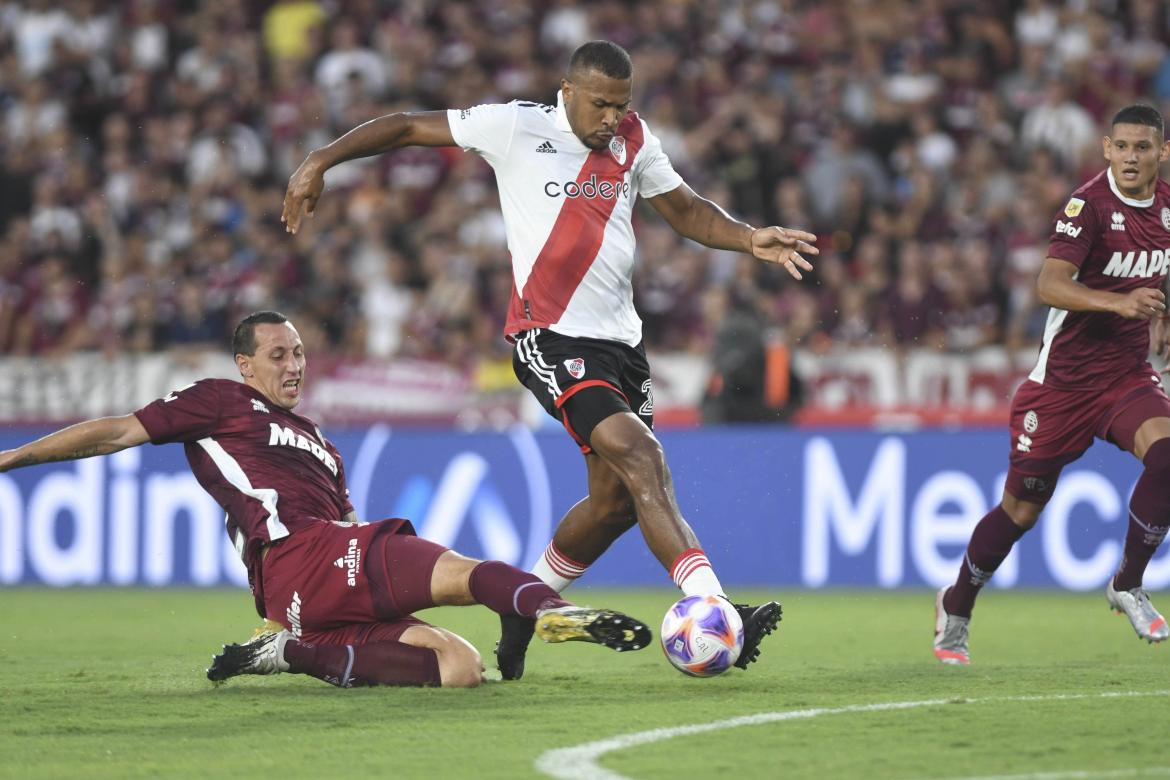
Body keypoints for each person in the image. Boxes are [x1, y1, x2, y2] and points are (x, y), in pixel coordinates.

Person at [282, 40, 816, 679]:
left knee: (616, 503)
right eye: (601, 104)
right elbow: (404, 127)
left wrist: (747, 237)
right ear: (567, 90)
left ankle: (523, 605)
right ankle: (713, 605)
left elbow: (687, 212)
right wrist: (321, 158)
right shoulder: (515, 126)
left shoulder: (635, 140)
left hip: (623, 346)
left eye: (622, 105)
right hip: (551, 337)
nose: (612, 118)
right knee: (641, 453)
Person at [0, 311, 651, 688]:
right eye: (278, 354)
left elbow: (343, 521)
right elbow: (117, 431)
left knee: (460, 666)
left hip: (307, 587)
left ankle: (291, 650)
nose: (294, 365)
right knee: (464, 575)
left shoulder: (321, 443)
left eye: (301, 354)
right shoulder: (220, 402)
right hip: (302, 554)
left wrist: (289, 609)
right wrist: (12, 456)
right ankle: (554, 612)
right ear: (244, 365)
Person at [934, 104, 1170, 666]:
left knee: (1167, 455)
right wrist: (1122, 303)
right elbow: (1049, 283)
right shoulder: (1087, 207)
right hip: (1060, 387)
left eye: (1144, 147)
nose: (1132, 157)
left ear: (1163, 152)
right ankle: (957, 603)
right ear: (1106, 150)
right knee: (1020, 513)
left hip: (1125, 376)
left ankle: (1128, 583)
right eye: (1123, 147)